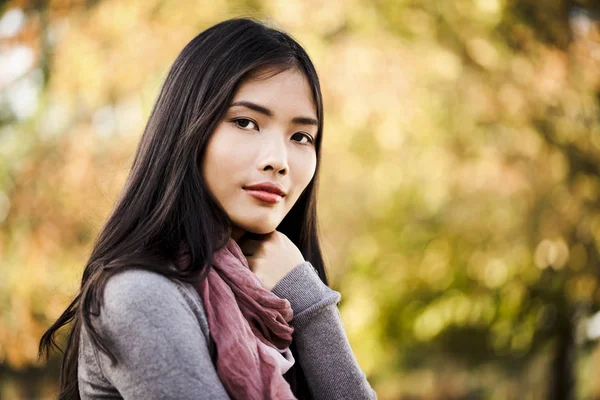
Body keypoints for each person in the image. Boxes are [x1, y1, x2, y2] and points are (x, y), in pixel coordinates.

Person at [39, 17, 377, 400]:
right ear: (188, 129)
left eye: (301, 136)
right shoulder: (141, 294)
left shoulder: (268, 295)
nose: (278, 160)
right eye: (246, 122)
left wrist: (308, 301)